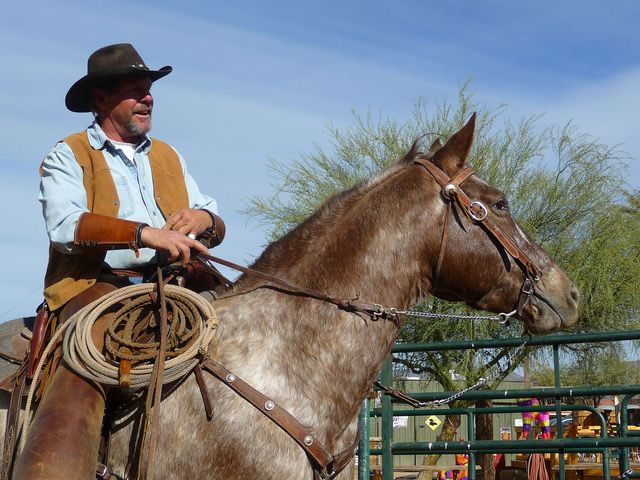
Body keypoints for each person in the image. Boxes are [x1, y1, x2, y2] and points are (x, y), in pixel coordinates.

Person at [13, 43, 225, 480]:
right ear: (100, 99)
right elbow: (66, 226)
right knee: (86, 361)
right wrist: (144, 233)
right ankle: (56, 468)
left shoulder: (169, 155)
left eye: (148, 91)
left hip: (176, 279)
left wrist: (203, 218)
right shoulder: (68, 154)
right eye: (135, 90)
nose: (147, 98)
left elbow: (211, 214)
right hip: (95, 284)